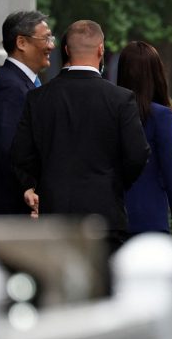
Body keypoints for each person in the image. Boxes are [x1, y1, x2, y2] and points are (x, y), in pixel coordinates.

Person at [11, 20, 149, 254]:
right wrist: (113, 182)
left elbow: (21, 153)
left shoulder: (38, 98)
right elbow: (137, 154)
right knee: (104, 287)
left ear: (66, 50)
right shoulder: (120, 98)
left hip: (55, 215)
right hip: (105, 214)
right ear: (101, 49)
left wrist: (37, 183)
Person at [117, 41, 172, 247]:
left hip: (114, 217)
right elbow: (171, 168)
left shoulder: (110, 112)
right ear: (155, 73)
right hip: (150, 217)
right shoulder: (160, 115)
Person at [0, 11, 55, 214]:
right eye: (45, 38)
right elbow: (11, 146)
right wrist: (28, 188)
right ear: (21, 42)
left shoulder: (21, 82)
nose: (51, 45)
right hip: (16, 207)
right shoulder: (10, 86)